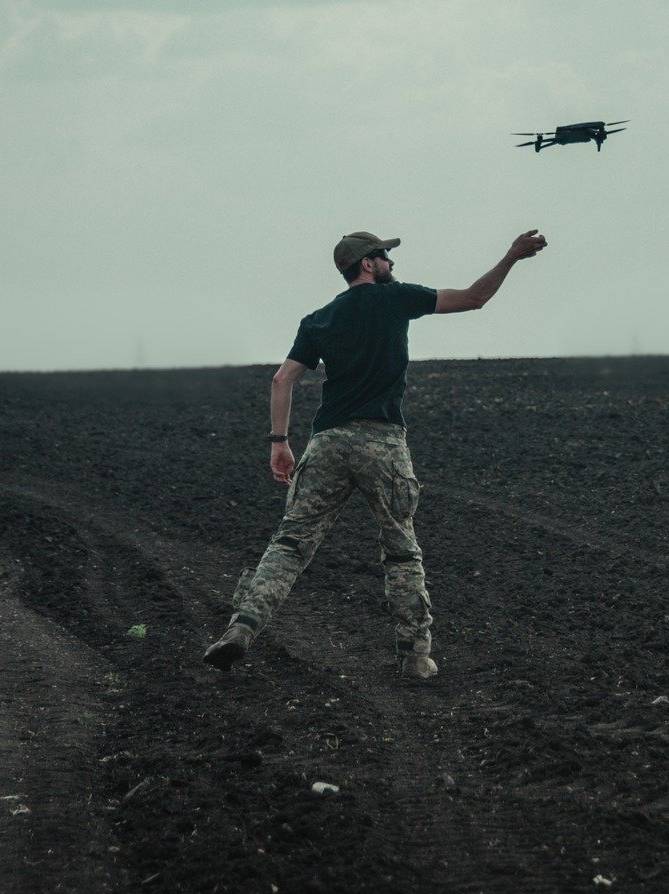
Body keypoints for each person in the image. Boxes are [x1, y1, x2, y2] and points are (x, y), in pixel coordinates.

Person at [203, 227, 548, 679]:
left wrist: (280, 443)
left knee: (289, 545)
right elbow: (474, 298)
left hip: (326, 443)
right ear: (368, 263)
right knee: (401, 550)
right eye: (385, 256)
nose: (392, 263)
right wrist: (511, 256)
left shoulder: (318, 319)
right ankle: (415, 656)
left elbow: (281, 380)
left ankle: (241, 630)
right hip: (382, 443)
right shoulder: (395, 298)